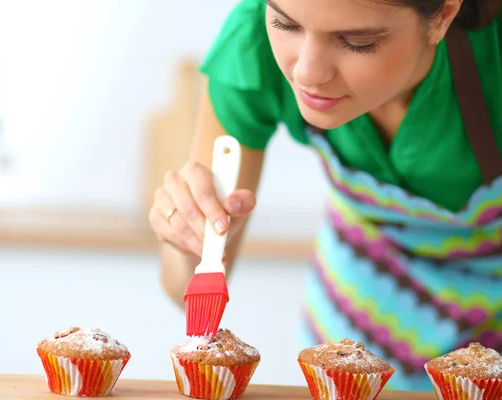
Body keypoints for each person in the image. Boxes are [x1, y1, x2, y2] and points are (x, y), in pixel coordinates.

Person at [149, 0, 502, 391]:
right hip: (355, 324)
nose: (307, 73)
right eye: (285, 22)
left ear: (443, 15)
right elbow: (184, 291)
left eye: (356, 41)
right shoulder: (252, 41)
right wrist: (187, 241)